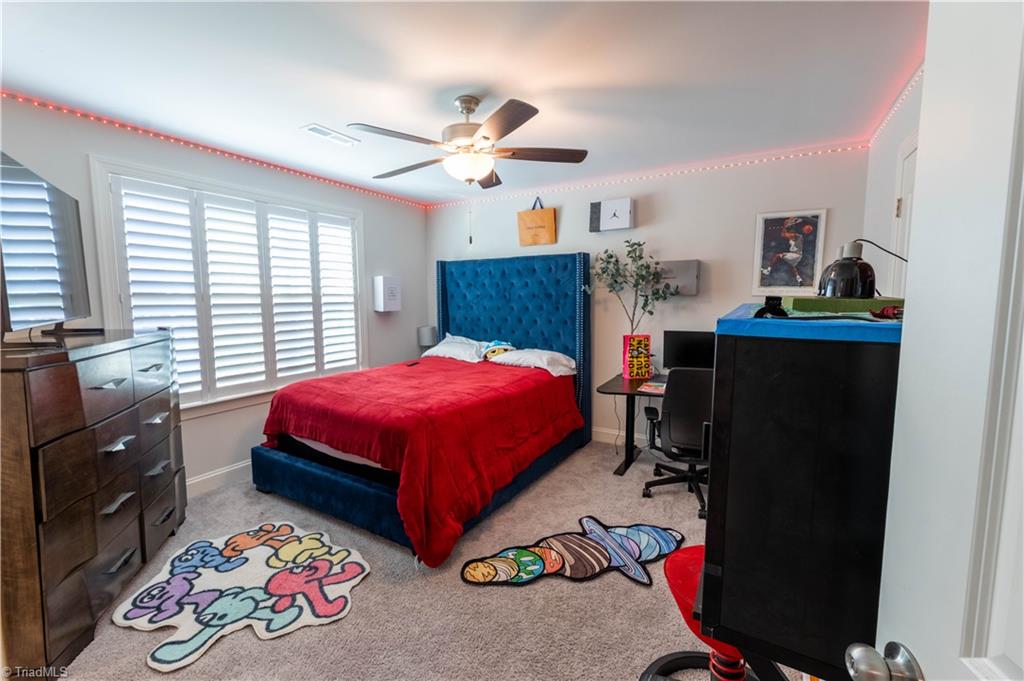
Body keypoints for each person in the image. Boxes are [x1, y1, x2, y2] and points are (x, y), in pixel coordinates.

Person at [761, 216, 810, 285]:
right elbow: (786, 234)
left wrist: (785, 224)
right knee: (792, 267)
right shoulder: (797, 237)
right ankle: (799, 280)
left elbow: (783, 234)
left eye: (790, 229)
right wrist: (789, 224)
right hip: (797, 255)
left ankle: (768, 271)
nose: (790, 231)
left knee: (777, 256)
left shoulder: (796, 236)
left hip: (795, 254)